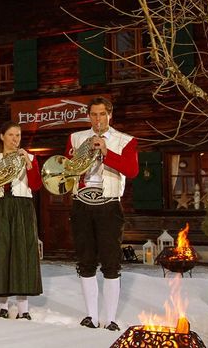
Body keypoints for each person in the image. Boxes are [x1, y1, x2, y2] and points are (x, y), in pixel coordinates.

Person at [65, 97, 138, 331]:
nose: (98, 119)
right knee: (85, 261)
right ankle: (91, 317)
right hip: (81, 204)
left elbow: (132, 170)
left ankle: (112, 319)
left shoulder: (125, 140)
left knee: (111, 262)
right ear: (89, 116)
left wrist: (107, 152)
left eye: (102, 114)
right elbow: (67, 169)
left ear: (110, 115)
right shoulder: (76, 138)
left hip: (108, 205)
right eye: (94, 115)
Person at [0, 121, 43, 320]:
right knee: (0, 253)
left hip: (22, 208)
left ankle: (24, 309)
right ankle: (2, 306)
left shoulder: (29, 157)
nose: (15, 139)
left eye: (18, 135)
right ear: (2, 136)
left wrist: (29, 164)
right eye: (11, 135)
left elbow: (36, 185)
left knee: (22, 255)